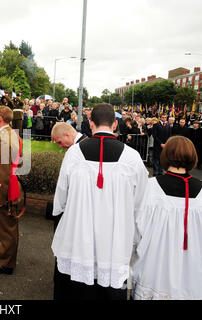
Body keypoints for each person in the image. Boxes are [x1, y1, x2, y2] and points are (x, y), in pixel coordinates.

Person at [51, 103, 148, 300]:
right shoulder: (133, 158)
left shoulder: (74, 154)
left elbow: (61, 199)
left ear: (90, 123)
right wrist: (136, 239)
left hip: (79, 239)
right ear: (114, 124)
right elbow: (140, 206)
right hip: (115, 240)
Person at [131, 136, 202, 300]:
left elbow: (135, 231)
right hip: (193, 274)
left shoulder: (149, 188)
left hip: (155, 270)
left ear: (165, 155)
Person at [0, 106, 23, 275]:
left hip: (6, 185)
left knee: (6, 225)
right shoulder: (12, 133)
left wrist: (1, 194)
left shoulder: (2, 139)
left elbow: (3, 170)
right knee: (9, 224)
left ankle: (6, 262)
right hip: (13, 182)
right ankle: (5, 254)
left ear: (0, 117)